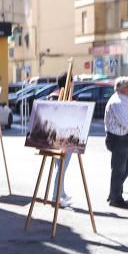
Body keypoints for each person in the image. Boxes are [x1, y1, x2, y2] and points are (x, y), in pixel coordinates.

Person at [103, 77, 128, 208]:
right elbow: (127, 122)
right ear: (124, 88)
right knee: (119, 170)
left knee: (125, 170)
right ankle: (116, 198)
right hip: (118, 139)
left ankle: (114, 193)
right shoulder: (118, 101)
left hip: (124, 138)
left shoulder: (124, 100)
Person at [45, 72, 72, 207]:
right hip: (61, 139)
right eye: (72, 82)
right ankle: (56, 197)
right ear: (68, 83)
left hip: (57, 139)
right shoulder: (58, 97)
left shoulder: (54, 95)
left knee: (60, 167)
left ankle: (61, 193)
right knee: (61, 168)